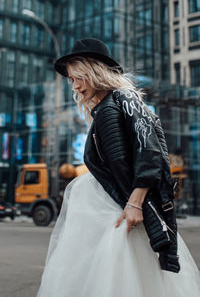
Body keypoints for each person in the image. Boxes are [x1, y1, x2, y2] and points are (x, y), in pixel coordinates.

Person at [37, 38, 200, 297]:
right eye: (71, 80)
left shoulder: (122, 99)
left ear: (95, 72)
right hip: (111, 204)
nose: (76, 86)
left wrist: (136, 203)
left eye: (79, 77)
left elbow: (149, 151)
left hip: (122, 207)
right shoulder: (105, 108)